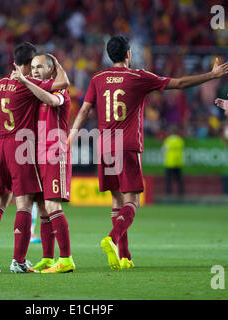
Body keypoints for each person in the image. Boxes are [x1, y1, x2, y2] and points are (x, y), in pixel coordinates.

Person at [69, 35, 228, 270]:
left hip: (103, 146)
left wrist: (71, 136)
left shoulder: (97, 79)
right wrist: (211, 76)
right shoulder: (138, 77)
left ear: (108, 55)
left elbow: (84, 111)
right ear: (128, 54)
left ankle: (125, 257)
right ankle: (113, 238)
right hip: (127, 145)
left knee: (117, 200)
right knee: (133, 201)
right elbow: (180, 83)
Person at [0, 42, 69, 273]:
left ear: (13, 62)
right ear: (29, 65)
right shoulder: (29, 84)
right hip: (22, 146)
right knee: (24, 203)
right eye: (34, 65)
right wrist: (55, 65)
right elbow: (62, 85)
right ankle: (18, 261)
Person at [10, 53, 75, 273]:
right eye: (33, 68)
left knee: (53, 206)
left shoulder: (59, 91)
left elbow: (51, 101)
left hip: (55, 154)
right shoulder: (35, 94)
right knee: (43, 208)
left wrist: (25, 80)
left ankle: (66, 259)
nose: (36, 71)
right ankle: (48, 258)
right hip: (37, 155)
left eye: (40, 67)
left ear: (51, 70)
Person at [0, 116, 41, 244]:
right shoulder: (1, 106)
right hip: (11, 154)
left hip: (19, 155)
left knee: (28, 196)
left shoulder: (10, 102)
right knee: (0, 197)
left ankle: (30, 232)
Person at [162, 127, 185, 198]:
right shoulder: (180, 140)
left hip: (170, 163)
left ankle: (168, 194)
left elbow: (163, 150)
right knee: (179, 179)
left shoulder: (168, 140)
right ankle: (181, 194)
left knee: (169, 180)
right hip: (178, 162)